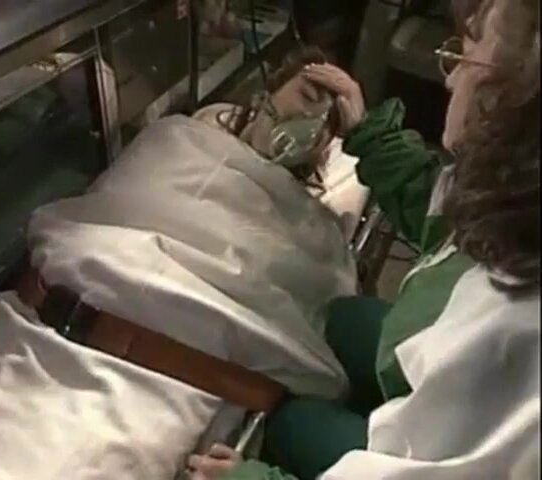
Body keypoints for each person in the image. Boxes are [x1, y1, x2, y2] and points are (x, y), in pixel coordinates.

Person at [0, 45, 362, 479]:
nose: (312, 120)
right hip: (37, 331)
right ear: (268, 90)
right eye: (309, 95)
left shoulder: (312, 225)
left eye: (330, 122)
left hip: (158, 380)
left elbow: (321, 302)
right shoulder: (177, 140)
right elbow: (102, 213)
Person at [187, 0, 540, 478]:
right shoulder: (516, 202)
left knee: (294, 422)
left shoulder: (513, 327)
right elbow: (447, 213)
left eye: (467, 55)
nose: (450, 78)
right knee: (344, 319)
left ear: (515, 98)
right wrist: (369, 135)